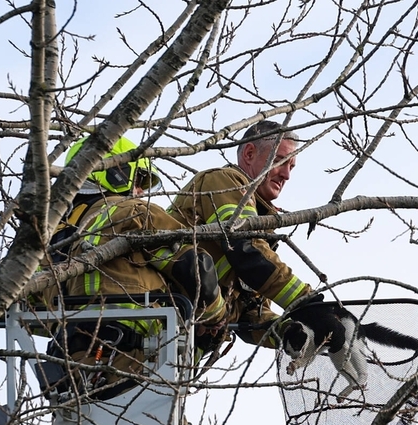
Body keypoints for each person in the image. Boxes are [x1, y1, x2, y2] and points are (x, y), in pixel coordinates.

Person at [40, 136, 226, 400]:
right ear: (113, 172)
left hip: (70, 361)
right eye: (138, 181)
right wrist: (218, 314)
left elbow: (31, 314)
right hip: (127, 355)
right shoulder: (129, 211)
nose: (140, 192)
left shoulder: (48, 240)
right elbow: (195, 268)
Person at [166, 120, 313, 362]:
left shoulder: (262, 226)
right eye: (280, 161)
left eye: (292, 167)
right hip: (160, 323)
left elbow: (250, 314)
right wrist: (309, 304)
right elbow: (245, 249)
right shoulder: (224, 181)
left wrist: (286, 331)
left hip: (181, 353)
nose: (286, 174)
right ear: (249, 153)